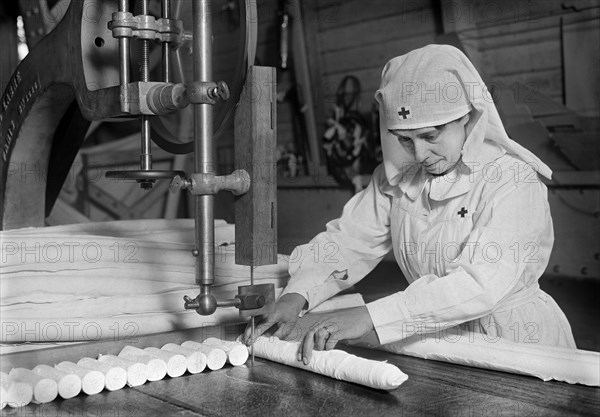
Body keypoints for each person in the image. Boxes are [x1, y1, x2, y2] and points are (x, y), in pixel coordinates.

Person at [242, 44, 576, 365]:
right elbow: (349, 241)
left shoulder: (511, 180)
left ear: (468, 117)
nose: (418, 155)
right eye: (405, 139)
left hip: (515, 340)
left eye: (431, 136)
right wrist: (296, 295)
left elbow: (480, 285)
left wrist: (371, 316)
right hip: (435, 336)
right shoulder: (398, 179)